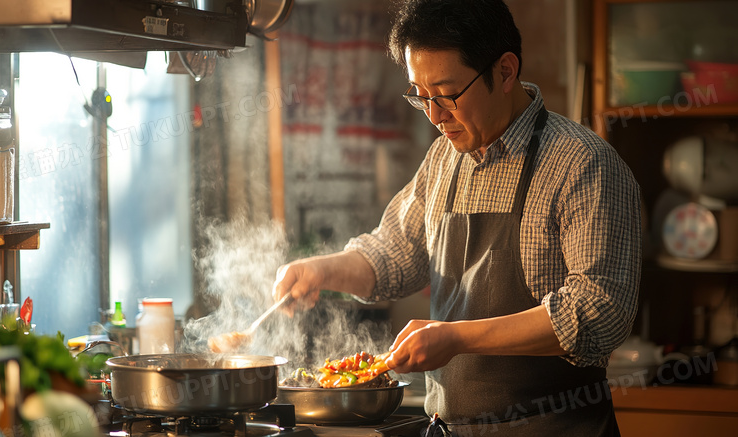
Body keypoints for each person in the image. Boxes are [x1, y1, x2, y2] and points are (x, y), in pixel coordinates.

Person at [273, 0, 642, 434]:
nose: (434, 116)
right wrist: (320, 270)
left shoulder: (582, 164)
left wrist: (457, 337)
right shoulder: (445, 159)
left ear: (505, 71)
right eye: (419, 96)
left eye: (446, 95)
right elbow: (395, 254)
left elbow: (600, 311)